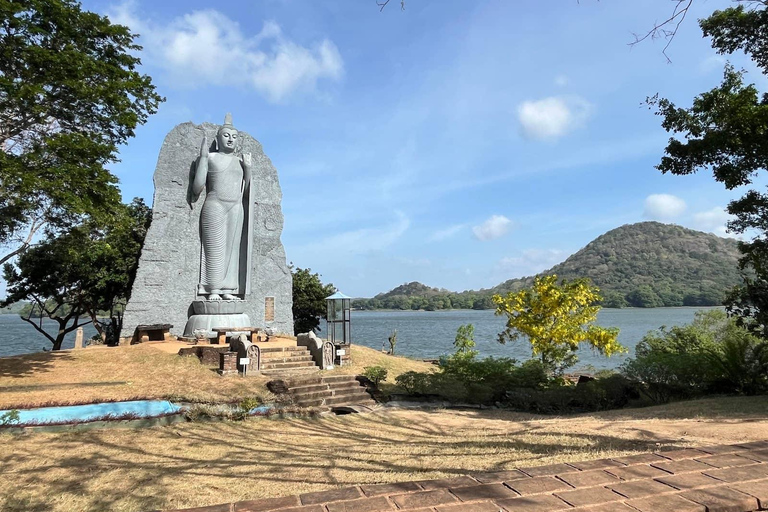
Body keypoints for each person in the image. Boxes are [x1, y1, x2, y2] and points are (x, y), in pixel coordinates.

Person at [192, 113, 252, 301]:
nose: (230, 140)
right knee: (215, 249)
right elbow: (197, 187)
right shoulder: (211, 157)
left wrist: (248, 169)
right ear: (218, 139)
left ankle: (228, 289)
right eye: (226, 136)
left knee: (233, 250)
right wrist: (202, 159)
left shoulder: (240, 162)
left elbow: (247, 191)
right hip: (215, 204)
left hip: (236, 206)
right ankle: (213, 289)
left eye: (234, 137)